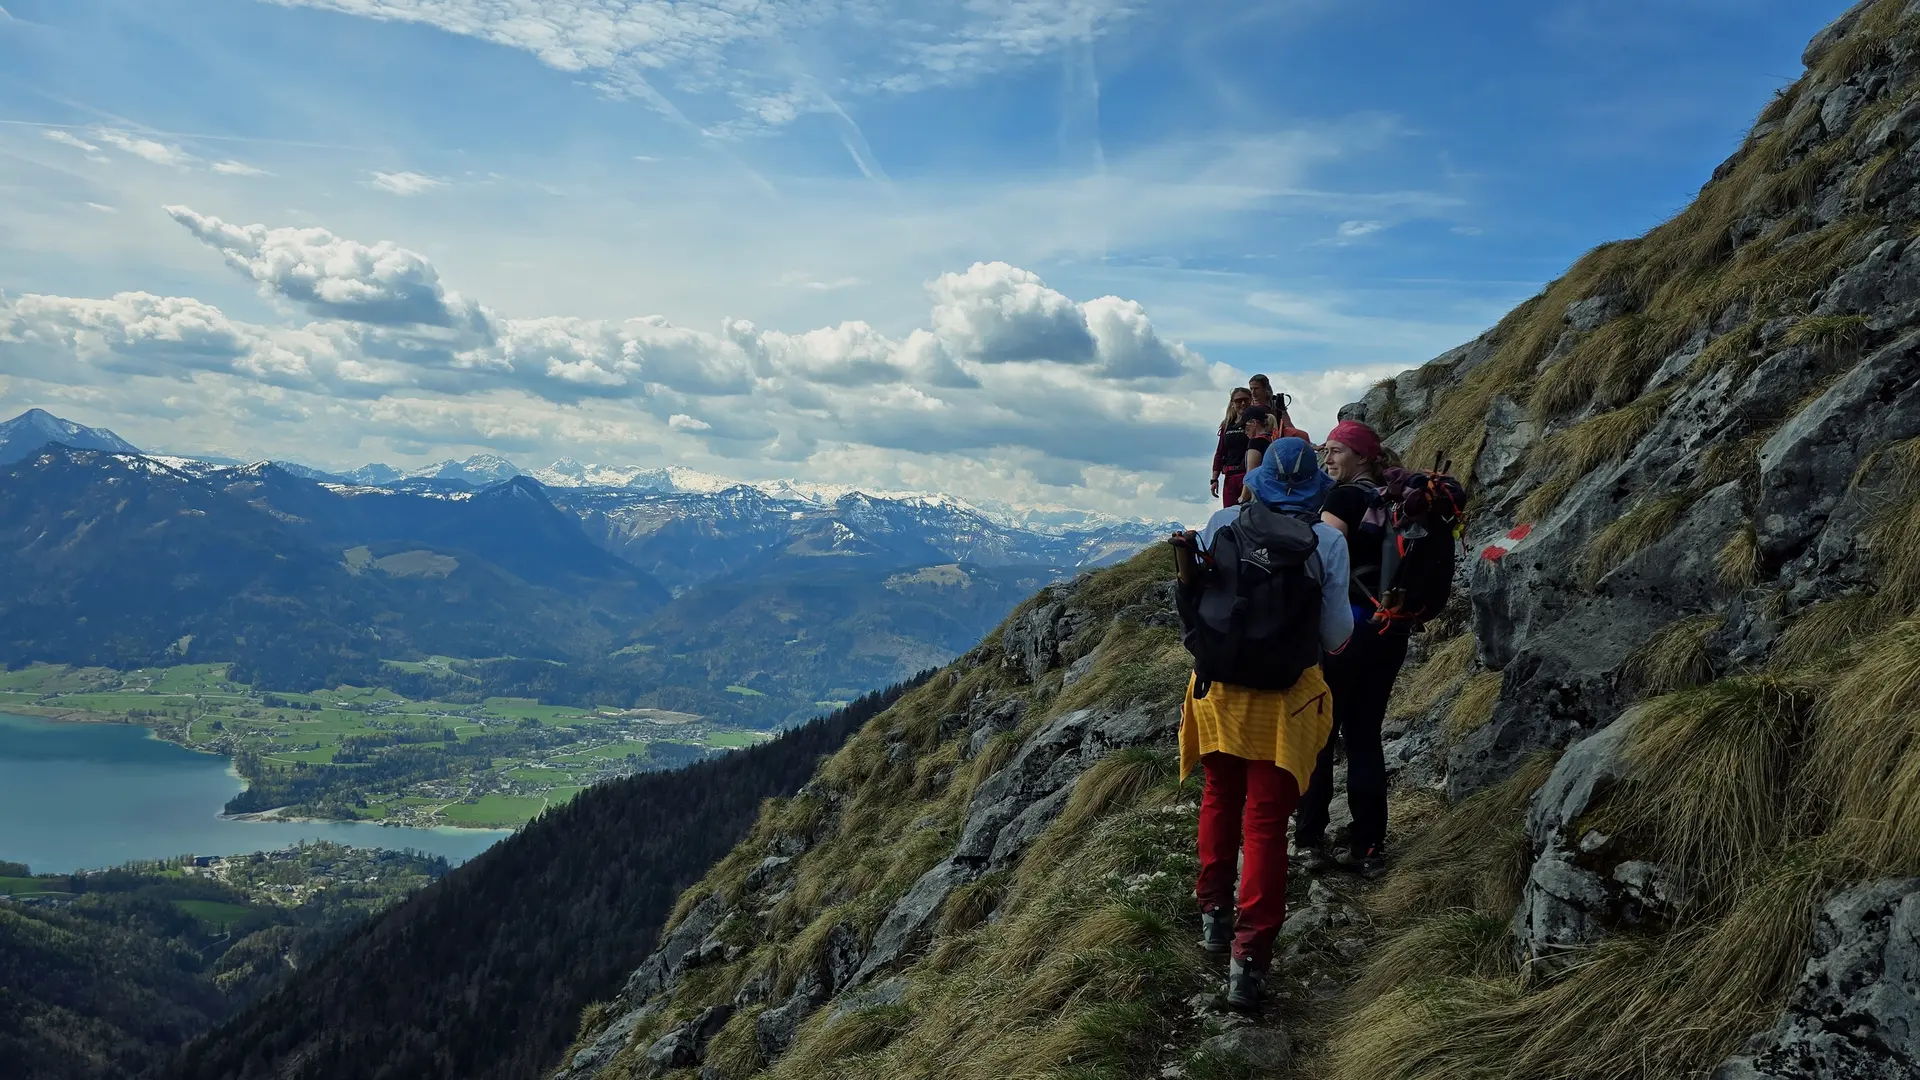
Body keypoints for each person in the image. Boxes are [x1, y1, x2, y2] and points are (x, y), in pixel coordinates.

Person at [1169, 438, 1353, 1011]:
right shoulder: (1327, 541)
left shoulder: (1223, 522)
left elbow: (1196, 602)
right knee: (1266, 824)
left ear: (1259, 480)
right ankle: (1248, 963)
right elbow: (1335, 637)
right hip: (1284, 702)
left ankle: (1213, 916)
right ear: (1317, 488)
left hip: (1217, 689)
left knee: (1220, 798)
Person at [1294, 420, 1458, 876]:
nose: (1327, 460)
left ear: (1364, 456)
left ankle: (1310, 841)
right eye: (1326, 452)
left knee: (1322, 736)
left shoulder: (1343, 499)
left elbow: (1321, 564)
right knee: (1365, 735)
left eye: (1336, 452)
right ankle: (1368, 846)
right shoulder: (1401, 502)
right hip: (1392, 632)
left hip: (1345, 632)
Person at [1211, 388, 1254, 508]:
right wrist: (1214, 479)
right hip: (1230, 477)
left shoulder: (1255, 424)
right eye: (1238, 401)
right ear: (1233, 404)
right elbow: (1220, 453)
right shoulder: (1227, 425)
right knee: (1229, 515)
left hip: (1248, 476)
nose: (1243, 404)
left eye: (1246, 400)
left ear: (1251, 400)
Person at [1248, 373, 1313, 443]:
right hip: (1254, 436)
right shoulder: (1248, 405)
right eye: (1251, 389)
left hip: (1276, 436)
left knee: (1299, 434)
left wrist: (1281, 410)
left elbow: (1288, 425)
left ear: (1265, 389)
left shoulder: (1275, 404)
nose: (1253, 392)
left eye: (1256, 389)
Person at [1237, 405, 1274, 483]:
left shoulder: (1255, 442)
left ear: (1254, 423)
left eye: (1245, 426)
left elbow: (1251, 476)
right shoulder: (1272, 440)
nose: (1244, 431)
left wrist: (1243, 495)